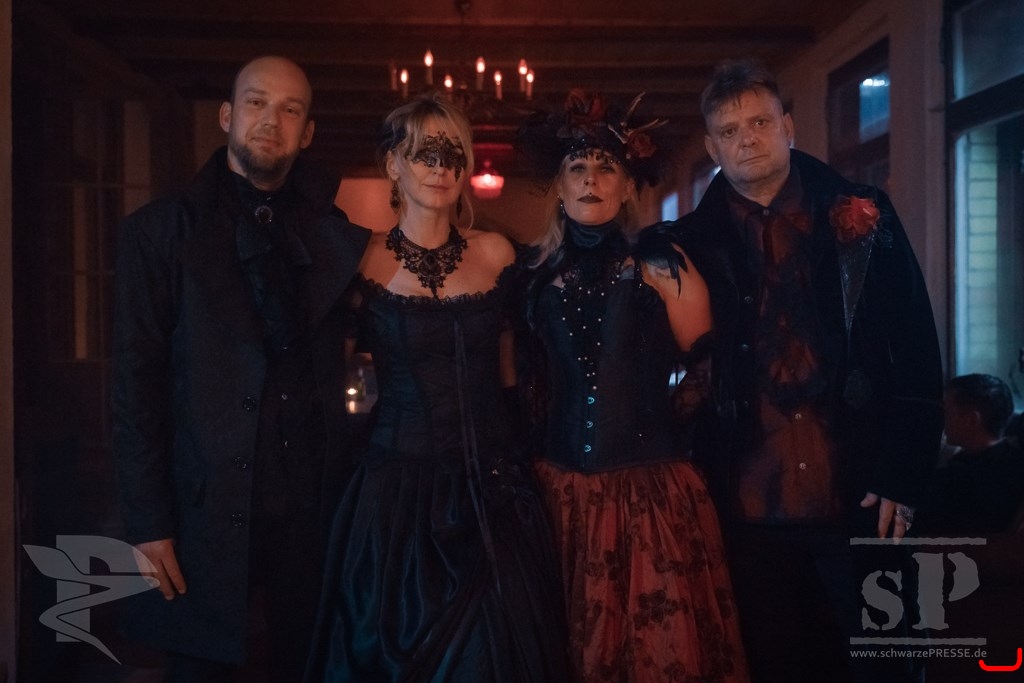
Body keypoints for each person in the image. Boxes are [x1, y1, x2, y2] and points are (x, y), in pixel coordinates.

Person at [670, 58, 945, 681]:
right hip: (746, 506)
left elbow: (915, 344)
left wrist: (904, 473)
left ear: (788, 127)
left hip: (859, 491)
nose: (748, 138)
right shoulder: (690, 241)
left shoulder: (864, 212)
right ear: (712, 148)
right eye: (730, 130)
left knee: (887, 666)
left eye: (760, 122)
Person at [112, 55, 371, 681]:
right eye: (256, 102)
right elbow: (133, 386)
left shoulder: (333, 232)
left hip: (310, 508)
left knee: (307, 666)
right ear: (227, 115)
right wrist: (148, 523)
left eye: (290, 109)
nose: (271, 121)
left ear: (307, 132)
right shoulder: (159, 232)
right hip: (203, 504)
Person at [304, 91, 568, 682]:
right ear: (392, 164)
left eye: (453, 155)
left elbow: (512, 374)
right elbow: (323, 376)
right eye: (425, 153)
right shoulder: (360, 261)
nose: (441, 167)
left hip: (493, 492)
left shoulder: (497, 254)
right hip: (393, 494)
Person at [516, 89, 748, 683]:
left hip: (650, 495)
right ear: (559, 187)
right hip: (558, 497)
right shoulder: (534, 279)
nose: (591, 181)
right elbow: (530, 384)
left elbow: (709, 368)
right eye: (577, 168)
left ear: (625, 188)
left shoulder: (663, 264)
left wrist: (660, 425)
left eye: (606, 169)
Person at [915, 373, 1024, 535]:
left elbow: (919, 523)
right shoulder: (1014, 460)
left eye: (947, 412)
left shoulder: (963, 480)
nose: (941, 419)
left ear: (972, 420)